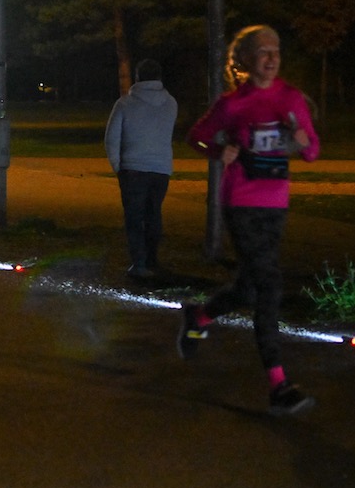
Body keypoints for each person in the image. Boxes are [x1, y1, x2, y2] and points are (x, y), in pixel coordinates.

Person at [182, 25, 320, 417]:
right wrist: (217, 150)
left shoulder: (291, 99)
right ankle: (279, 385)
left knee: (249, 289)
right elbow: (196, 137)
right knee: (270, 285)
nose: (272, 58)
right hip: (240, 202)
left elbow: (312, 151)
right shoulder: (233, 104)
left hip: (275, 204)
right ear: (245, 60)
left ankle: (199, 315)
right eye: (262, 51)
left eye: (276, 50)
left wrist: (303, 142)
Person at [104, 59, 178, 281]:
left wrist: (119, 166)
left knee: (134, 217)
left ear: (137, 78)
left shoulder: (125, 104)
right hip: (161, 168)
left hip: (133, 168)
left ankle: (139, 262)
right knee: (153, 214)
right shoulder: (171, 103)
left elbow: (111, 139)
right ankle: (153, 259)